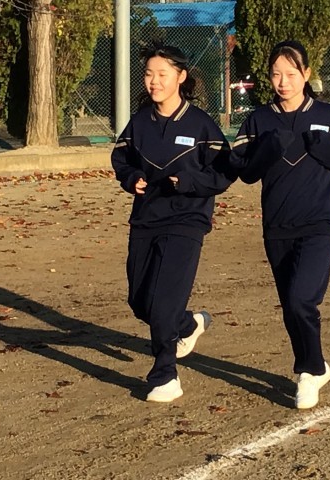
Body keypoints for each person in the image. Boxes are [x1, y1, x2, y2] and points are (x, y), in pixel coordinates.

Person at [230, 40, 330, 409]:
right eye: (276, 74)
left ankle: (308, 371)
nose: (283, 82)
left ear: (306, 74)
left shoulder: (328, 115)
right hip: (277, 223)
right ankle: (316, 366)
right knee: (291, 305)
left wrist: (323, 147)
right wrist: (266, 151)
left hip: (321, 219)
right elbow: (244, 172)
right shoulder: (258, 120)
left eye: (291, 74)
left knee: (302, 298)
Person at [111, 43, 234, 403]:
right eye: (149, 74)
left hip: (186, 220)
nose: (154, 81)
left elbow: (224, 171)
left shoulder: (201, 124)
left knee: (163, 304)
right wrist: (131, 177)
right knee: (140, 302)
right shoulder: (140, 122)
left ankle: (165, 374)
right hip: (146, 218)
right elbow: (121, 157)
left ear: (181, 77)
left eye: (162, 74)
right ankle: (188, 324)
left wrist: (189, 182)